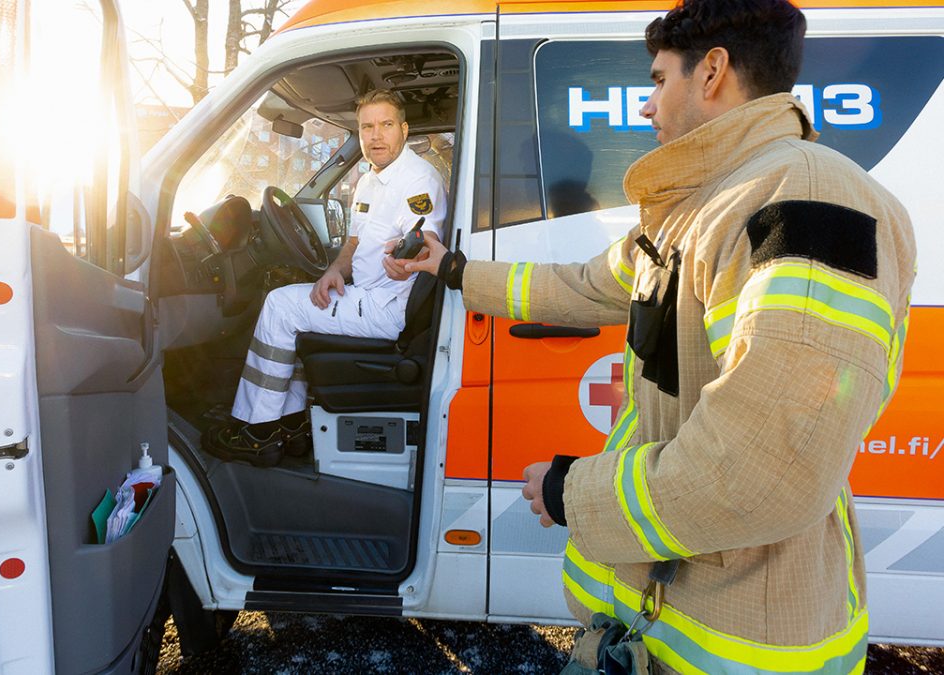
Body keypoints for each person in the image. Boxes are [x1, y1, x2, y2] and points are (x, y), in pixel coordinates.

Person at [403, 0, 915, 671]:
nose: (646, 105)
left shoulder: (808, 200)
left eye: (656, 79)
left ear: (711, 73)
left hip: (737, 648)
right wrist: (452, 267)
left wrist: (571, 492)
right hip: (664, 625)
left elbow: (761, 470)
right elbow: (585, 283)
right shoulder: (705, 205)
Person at [206, 89, 447, 467]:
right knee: (299, 308)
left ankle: (258, 431)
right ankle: (292, 426)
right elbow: (353, 241)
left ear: (403, 129)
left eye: (386, 125)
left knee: (280, 304)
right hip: (365, 293)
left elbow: (424, 243)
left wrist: (406, 261)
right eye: (367, 127)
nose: (376, 136)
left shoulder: (417, 180)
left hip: (388, 305)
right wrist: (335, 270)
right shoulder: (370, 179)